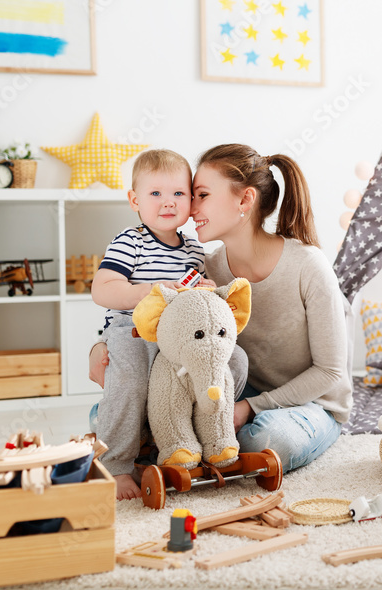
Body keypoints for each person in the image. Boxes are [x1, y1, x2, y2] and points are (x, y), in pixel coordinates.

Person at [91, 144, 353, 477]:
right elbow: (151, 311)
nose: (189, 206)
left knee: (268, 439)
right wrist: (100, 345)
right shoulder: (206, 270)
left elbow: (330, 373)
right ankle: (183, 441)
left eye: (200, 195)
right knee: (105, 413)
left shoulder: (307, 265)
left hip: (311, 401)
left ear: (244, 200)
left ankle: (184, 442)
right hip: (236, 388)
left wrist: (248, 408)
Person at [89, 148, 247, 500]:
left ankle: (200, 438)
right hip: (133, 331)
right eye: (155, 194)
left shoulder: (194, 250)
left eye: (178, 193)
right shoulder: (131, 242)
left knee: (231, 362)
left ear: (191, 201)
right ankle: (114, 464)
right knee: (131, 381)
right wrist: (154, 291)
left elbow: (198, 304)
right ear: (135, 200)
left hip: (178, 338)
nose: (167, 202)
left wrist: (208, 292)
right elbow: (102, 289)